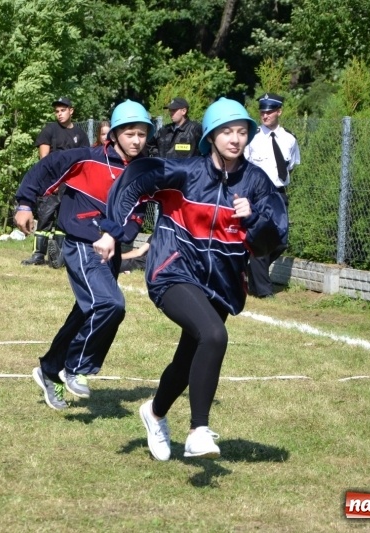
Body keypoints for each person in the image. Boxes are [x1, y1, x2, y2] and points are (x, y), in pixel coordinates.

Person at [95, 97, 288, 460]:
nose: (235, 139)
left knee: (188, 360)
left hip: (223, 283)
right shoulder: (186, 173)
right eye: (227, 131)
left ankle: (153, 413)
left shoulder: (256, 183)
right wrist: (111, 230)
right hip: (173, 270)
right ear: (212, 135)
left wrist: (252, 219)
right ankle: (199, 430)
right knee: (214, 335)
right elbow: (135, 182)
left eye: (242, 131)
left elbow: (271, 240)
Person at [15, 99, 153, 410]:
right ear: (114, 134)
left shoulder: (144, 173)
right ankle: (75, 367)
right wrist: (25, 203)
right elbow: (44, 168)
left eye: (142, 134)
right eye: (130, 133)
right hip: (80, 243)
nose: (136, 140)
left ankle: (50, 370)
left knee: (87, 312)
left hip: (111, 250)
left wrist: (115, 236)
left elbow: (135, 218)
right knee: (110, 304)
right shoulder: (86, 159)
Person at [21, 97, 90, 266]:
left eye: (63, 110)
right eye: (57, 111)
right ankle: (38, 255)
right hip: (50, 183)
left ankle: (58, 257)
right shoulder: (50, 129)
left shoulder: (80, 135)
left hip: (71, 184)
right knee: (45, 217)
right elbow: (44, 159)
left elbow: (85, 160)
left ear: (71, 111)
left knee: (63, 221)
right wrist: (49, 181)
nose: (59, 114)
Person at [243, 93, 300, 298]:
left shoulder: (289, 139)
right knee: (261, 239)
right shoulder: (252, 137)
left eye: (269, 112)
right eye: (262, 112)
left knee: (280, 241)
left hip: (278, 193)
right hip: (257, 195)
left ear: (279, 112)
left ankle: (252, 272)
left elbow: (290, 166)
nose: (265, 115)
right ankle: (264, 291)